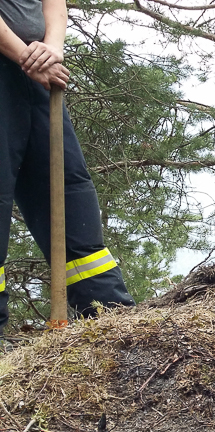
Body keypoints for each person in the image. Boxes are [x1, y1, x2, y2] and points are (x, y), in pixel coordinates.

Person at [0, 0, 134, 330]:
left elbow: (54, 4)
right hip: (19, 67)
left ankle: (112, 325)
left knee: (69, 197)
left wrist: (52, 49)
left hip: (39, 77)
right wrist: (27, 56)